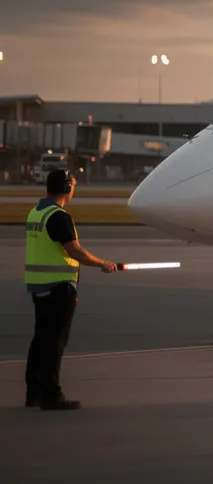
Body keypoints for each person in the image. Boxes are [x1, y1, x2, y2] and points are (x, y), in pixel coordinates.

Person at [24, 169, 119, 411]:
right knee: (55, 342)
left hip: (38, 286)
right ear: (67, 189)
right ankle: (51, 395)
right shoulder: (58, 216)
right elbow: (74, 250)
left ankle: (33, 393)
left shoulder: (36, 212)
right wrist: (102, 264)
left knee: (40, 339)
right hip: (59, 287)